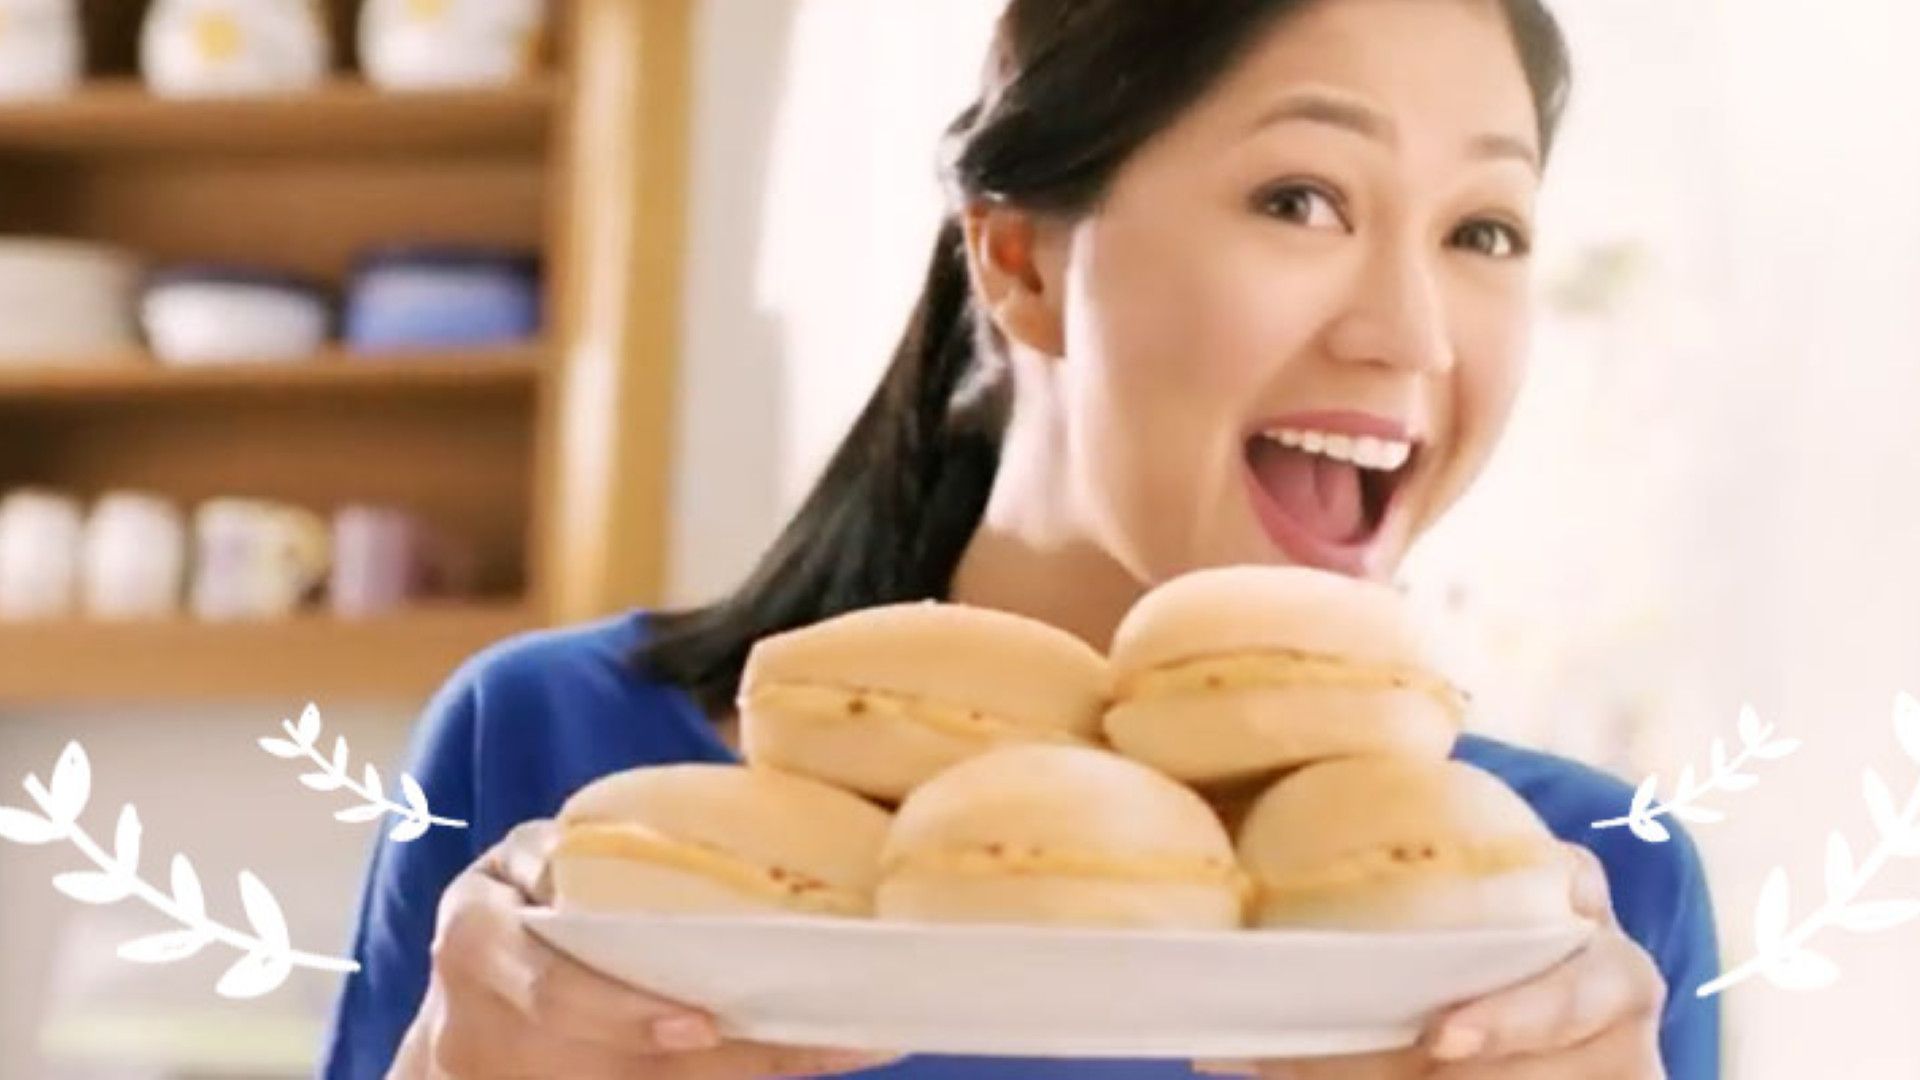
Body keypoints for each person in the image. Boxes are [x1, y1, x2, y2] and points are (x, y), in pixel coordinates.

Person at [322, 0, 1722, 1076]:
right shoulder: (561, 777)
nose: (1410, 334)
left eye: (1484, 230)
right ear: (1022, 262)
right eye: (1300, 199)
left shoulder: (1577, 902)